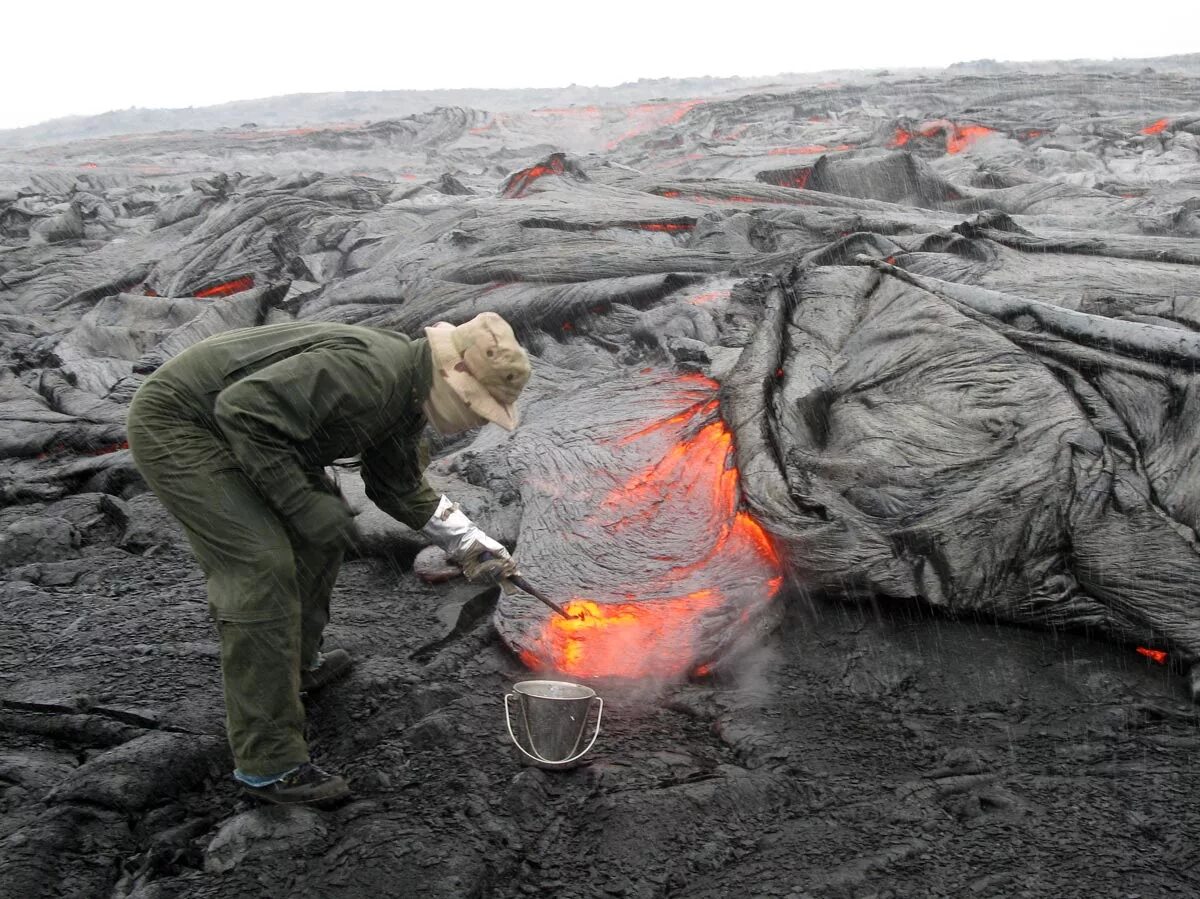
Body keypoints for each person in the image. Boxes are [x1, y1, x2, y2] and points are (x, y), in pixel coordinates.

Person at [126, 312, 531, 806]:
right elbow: (241, 411)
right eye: (480, 407)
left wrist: (469, 544)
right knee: (261, 565)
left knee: (321, 533)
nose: (477, 419)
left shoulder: (405, 394)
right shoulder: (370, 376)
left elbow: (397, 484)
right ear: (455, 379)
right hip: (184, 425)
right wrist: (302, 503)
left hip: (248, 429)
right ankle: (268, 761)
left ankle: (296, 665)